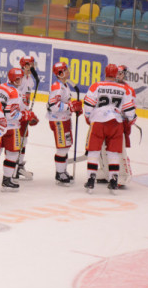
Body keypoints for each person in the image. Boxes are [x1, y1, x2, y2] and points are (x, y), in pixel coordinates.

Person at [82, 64, 137, 192]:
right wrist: (131, 118)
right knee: (113, 153)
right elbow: (129, 111)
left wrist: (89, 117)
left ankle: (90, 179)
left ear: (105, 73)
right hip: (116, 124)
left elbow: (88, 105)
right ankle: (113, 180)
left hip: (98, 123)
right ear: (115, 74)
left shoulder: (96, 86)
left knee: (93, 151)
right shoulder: (124, 89)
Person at [0, 69, 35, 191]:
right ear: (15, 79)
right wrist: (24, 116)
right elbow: (10, 114)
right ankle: (7, 180)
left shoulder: (0, 87)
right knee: (12, 154)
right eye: (19, 78)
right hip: (11, 128)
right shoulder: (15, 93)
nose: (21, 80)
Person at [46, 62, 82, 185]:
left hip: (64, 119)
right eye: (66, 70)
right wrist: (70, 107)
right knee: (62, 148)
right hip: (58, 121)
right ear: (60, 74)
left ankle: (63, 171)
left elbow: (65, 103)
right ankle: (59, 173)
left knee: (66, 146)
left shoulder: (64, 85)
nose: (68, 72)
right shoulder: (57, 87)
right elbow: (53, 105)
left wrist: (74, 108)